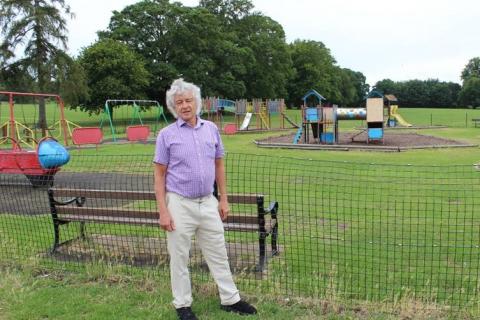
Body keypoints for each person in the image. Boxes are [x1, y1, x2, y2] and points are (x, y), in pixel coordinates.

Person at [153, 78, 257, 320]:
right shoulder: (166, 135)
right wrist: (163, 211)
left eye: (188, 100)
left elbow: (219, 165)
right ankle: (183, 305)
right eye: (179, 102)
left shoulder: (211, 129)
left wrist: (223, 199)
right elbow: (159, 175)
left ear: (197, 102)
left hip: (208, 201)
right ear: (173, 107)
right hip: (179, 203)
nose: (185, 105)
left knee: (218, 252)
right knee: (179, 257)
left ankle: (230, 299)